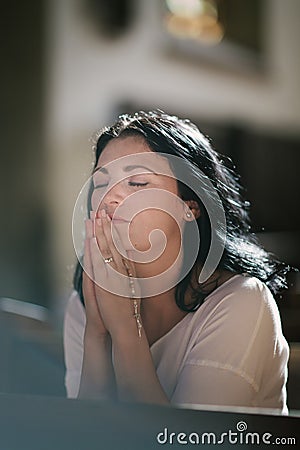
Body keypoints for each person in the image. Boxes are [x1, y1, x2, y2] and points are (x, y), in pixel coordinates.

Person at [64, 110, 291, 413]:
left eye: (138, 183)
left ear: (190, 206)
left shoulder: (242, 302)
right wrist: (96, 332)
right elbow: (82, 436)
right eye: (101, 183)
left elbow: (186, 439)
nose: (109, 199)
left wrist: (126, 329)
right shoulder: (85, 301)